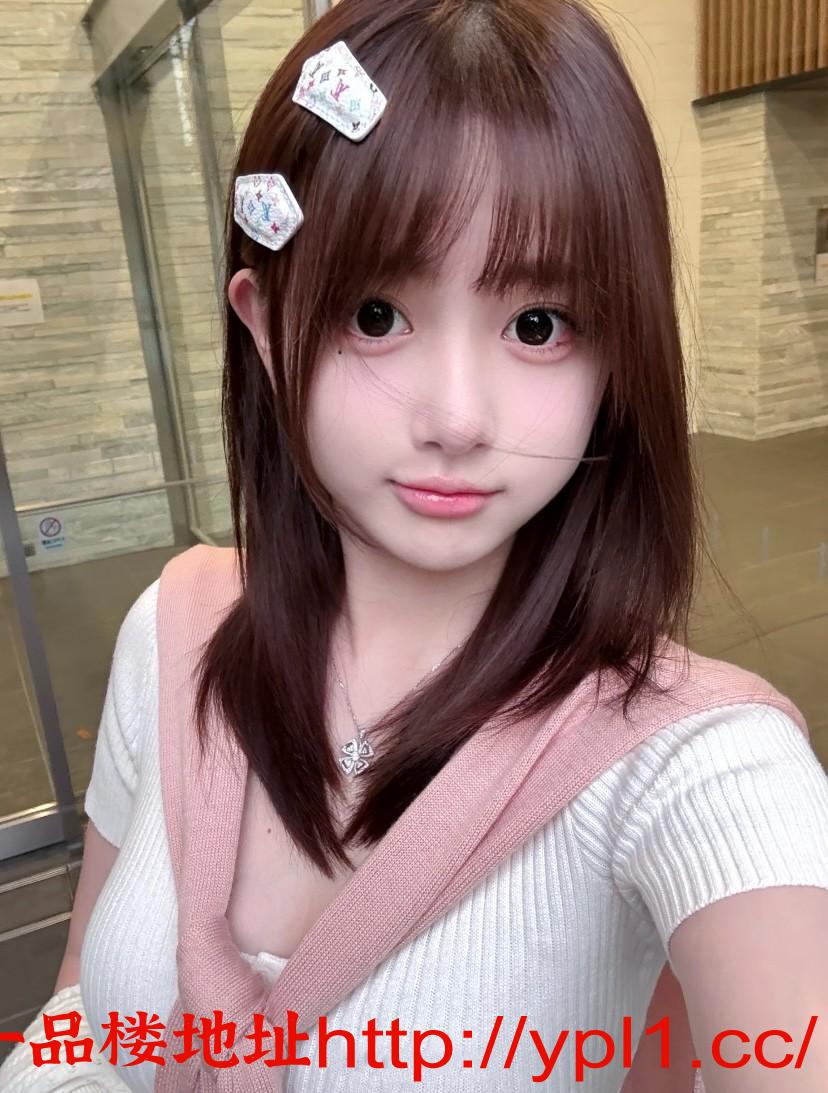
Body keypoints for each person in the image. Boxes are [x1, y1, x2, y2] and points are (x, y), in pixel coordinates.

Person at [3, 1, 827, 1090]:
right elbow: (79, 1000)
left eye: (540, 324)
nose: (456, 417)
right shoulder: (173, 628)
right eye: (377, 315)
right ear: (264, 323)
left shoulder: (697, 762)